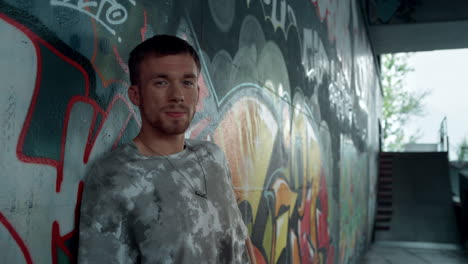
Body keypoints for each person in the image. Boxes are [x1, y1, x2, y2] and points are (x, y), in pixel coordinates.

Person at [78, 35, 255, 263]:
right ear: (136, 95)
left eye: (187, 82)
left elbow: (240, 236)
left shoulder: (212, 156)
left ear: (197, 93)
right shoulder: (115, 176)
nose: (177, 96)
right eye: (161, 82)